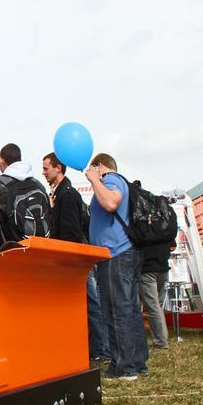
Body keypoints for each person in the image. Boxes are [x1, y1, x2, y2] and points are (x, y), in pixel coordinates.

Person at [42, 152, 110, 363]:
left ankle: (102, 350)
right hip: (71, 260)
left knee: (91, 304)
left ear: (58, 168)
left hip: (76, 261)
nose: (43, 172)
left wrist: (66, 260)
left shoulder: (68, 194)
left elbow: (70, 232)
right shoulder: (60, 194)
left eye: (46, 167)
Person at [85, 153, 148, 381]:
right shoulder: (118, 180)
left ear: (101, 167)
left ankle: (124, 366)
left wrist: (95, 179)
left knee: (116, 309)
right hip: (121, 253)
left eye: (93, 169)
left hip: (115, 254)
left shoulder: (111, 179)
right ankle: (137, 361)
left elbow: (111, 202)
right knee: (129, 308)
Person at [139, 241, 172, 349]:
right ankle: (163, 337)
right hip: (163, 268)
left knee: (153, 306)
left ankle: (161, 341)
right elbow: (173, 245)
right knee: (158, 306)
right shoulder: (165, 225)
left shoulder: (144, 227)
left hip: (148, 269)